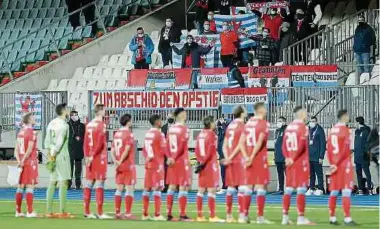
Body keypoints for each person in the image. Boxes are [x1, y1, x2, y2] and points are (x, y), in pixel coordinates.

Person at [281, 106, 314, 225]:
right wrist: (293, 158)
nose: (306, 114)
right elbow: (301, 145)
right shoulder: (303, 127)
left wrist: (288, 157)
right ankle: (301, 218)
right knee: (301, 189)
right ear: (300, 114)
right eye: (305, 112)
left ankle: (285, 217)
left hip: (290, 161)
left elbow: (283, 146)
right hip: (300, 162)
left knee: (288, 188)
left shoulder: (288, 128)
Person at [327, 110, 358, 226]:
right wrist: (338, 162)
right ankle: (347, 218)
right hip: (344, 164)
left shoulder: (332, 130)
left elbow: (329, 148)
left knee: (334, 191)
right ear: (344, 117)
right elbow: (345, 149)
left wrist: (332, 163)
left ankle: (332, 217)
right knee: (346, 191)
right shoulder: (345, 130)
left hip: (334, 164)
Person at [244, 102, 273, 224]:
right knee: (261, 186)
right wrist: (252, 156)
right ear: (260, 110)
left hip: (248, 156)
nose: (266, 111)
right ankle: (260, 217)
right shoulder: (263, 124)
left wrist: (246, 157)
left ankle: (244, 215)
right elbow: (260, 141)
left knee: (249, 186)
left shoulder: (248, 123)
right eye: (264, 109)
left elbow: (242, 141)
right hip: (258, 157)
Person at [83, 104, 112, 219]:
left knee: (89, 183)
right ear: (100, 111)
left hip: (89, 156)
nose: (105, 112)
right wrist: (93, 156)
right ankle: (100, 213)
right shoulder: (101, 125)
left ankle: (87, 211)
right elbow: (100, 143)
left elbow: (85, 142)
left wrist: (87, 156)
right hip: (98, 157)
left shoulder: (89, 125)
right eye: (104, 110)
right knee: (100, 183)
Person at [195, 116, 225, 223]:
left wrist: (199, 163)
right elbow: (211, 150)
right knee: (212, 190)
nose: (215, 124)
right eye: (213, 122)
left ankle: (199, 216)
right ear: (210, 123)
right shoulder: (212, 134)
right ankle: (212, 216)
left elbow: (197, 150)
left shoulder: (200, 134)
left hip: (201, 164)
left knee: (201, 190)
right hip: (209, 164)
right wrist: (204, 162)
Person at [44, 103, 72, 218]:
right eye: (67, 109)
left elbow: (47, 140)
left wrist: (49, 155)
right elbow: (60, 142)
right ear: (64, 111)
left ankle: (49, 211)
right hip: (61, 155)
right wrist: (55, 155)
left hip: (51, 153)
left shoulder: (52, 123)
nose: (69, 110)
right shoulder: (64, 125)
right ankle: (62, 211)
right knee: (63, 181)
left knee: (52, 181)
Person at [166, 108, 192, 221]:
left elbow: (166, 145)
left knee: (171, 187)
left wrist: (169, 158)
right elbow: (181, 146)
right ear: (180, 114)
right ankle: (182, 214)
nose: (186, 114)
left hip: (172, 161)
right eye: (185, 112)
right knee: (183, 186)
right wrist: (175, 157)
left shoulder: (171, 129)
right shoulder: (185, 129)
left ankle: (169, 213)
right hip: (181, 160)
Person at [223, 105, 247, 223]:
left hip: (230, 160)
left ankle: (228, 215)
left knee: (231, 188)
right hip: (238, 159)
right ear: (242, 113)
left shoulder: (230, 126)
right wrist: (233, 157)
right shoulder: (242, 125)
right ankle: (242, 215)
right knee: (242, 187)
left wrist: (227, 157)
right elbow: (240, 144)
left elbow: (224, 145)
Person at [110, 114, 136, 220]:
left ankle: (117, 212)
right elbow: (127, 149)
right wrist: (120, 161)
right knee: (130, 188)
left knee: (119, 188)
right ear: (128, 121)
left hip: (118, 165)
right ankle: (128, 213)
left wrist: (115, 161)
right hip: (127, 164)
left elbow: (112, 150)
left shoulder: (116, 134)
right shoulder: (129, 134)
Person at [141, 114, 167, 221]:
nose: (161, 121)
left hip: (149, 164)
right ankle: (157, 214)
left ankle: (145, 214)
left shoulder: (148, 134)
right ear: (157, 122)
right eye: (160, 120)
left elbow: (144, 150)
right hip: (157, 164)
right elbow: (165, 149)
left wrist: (148, 158)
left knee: (147, 188)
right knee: (157, 189)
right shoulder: (159, 134)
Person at [14, 113, 38, 218]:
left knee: (20, 186)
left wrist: (19, 161)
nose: (34, 119)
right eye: (33, 117)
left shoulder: (20, 132)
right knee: (30, 186)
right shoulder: (31, 132)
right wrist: (23, 160)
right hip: (29, 161)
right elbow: (29, 149)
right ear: (29, 120)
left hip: (21, 161)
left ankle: (18, 211)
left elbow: (16, 150)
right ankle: (29, 211)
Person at [306, 116, 326, 196]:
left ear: (316, 122)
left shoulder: (320, 130)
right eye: (310, 121)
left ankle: (320, 188)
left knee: (319, 173)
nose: (311, 122)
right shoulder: (308, 130)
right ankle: (311, 188)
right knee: (311, 174)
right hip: (309, 156)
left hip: (317, 156)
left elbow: (323, 144)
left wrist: (321, 156)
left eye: (313, 121)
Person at [354, 116, 372, 195]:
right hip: (357, 156)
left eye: (355, 122)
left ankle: (370, 188)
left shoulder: (366, 130)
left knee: (367, 172)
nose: (354, 124)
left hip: (364, 156)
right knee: (358, 173)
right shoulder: (356, 131)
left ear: (358, 122)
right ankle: (360, 189)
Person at [68, 110, 85, 190]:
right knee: (69, 168)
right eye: (73, 115)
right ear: (70, 116)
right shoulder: (67, 125)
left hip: (79, 148)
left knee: (78, 168)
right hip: (70, 149)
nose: (75, 116)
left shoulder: (82, 126)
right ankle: (68, 183)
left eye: (76, 115)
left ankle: (78, 184)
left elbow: (84, 137)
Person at [274, 116, 287, 194]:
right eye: (278, 121)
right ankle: (281, 188)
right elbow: (276, 144)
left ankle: (288, 188)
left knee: (287, 173)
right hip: (278, 156)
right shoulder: (277, 131)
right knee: (280, 174)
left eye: (280, 121)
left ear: (284, 122)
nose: (278, 122)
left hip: (285, 156)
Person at [216, 116, 229, 194]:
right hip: (221, 155)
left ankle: (228, 187)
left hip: (226, 154)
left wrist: (224, 124)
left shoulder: (227, 131)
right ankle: (225, 187)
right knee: (223, 172)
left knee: (227, 171)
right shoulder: (220, 132)